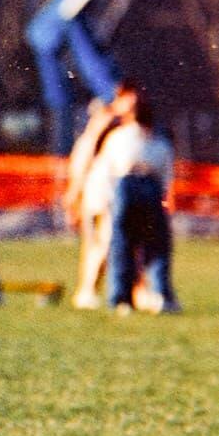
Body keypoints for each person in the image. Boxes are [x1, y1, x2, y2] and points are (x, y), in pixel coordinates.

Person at [102, 94, 180, 315]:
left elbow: (108, 170)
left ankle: (121, 299)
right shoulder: (157, 141)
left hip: (127, 187)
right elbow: (166, 173)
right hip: (144, 187)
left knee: (123, 245)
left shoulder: (118, 137)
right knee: (155, 246)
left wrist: (111, 200)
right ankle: (160, 295)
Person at [63, 90, 131, 309]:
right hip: (99, 197)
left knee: (97, 246)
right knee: (103, 244)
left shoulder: (102, 137)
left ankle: (87, 291)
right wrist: (73, 200)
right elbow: (80, 171)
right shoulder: (92, 139)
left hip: (101, 196)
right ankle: (88, 291)